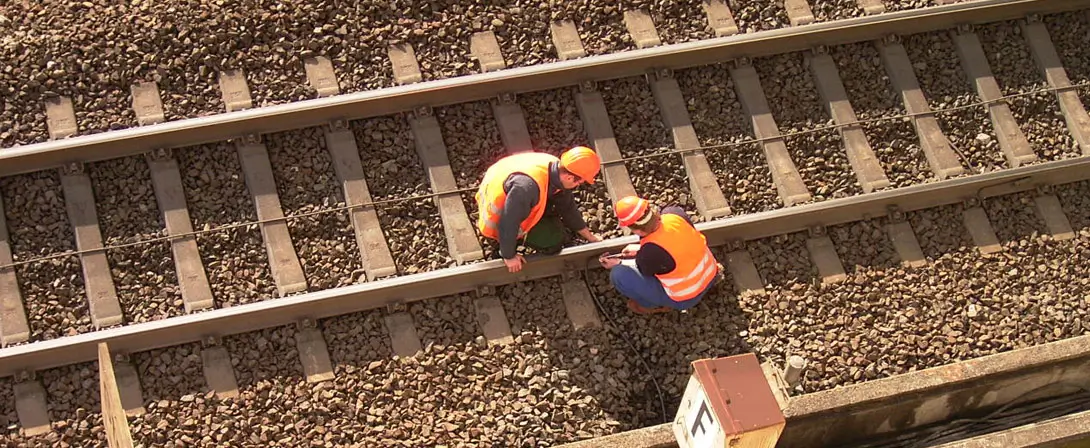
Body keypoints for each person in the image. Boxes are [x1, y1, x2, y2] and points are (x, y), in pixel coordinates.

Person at [476, 146, 604, 273]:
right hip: (496, 222)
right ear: (569, 178)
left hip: (501, 187)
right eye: (579, 182)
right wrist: (508, 255)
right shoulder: (526, 188)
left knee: (550, 207)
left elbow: (567, 206)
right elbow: (508, 222)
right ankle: (505, 242)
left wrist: (590, 236)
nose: (577, 185)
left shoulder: (554, 166)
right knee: (552, 242)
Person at [598, 196, 722, 314]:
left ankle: (649, 305)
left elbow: (645, 272)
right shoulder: (674, 214)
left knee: (619, 274)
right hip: (711, 272)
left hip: (687, 297)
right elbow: (674, 243)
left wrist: (619, 262)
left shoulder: (650, 253)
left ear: (637, 230)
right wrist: (640, 249)